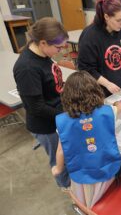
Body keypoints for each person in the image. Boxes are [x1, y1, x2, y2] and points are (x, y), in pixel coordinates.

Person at [52, 71, 121, 209]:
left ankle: (88, 209)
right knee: (105, 195)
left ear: (67, 97)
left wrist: (58, 169)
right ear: (96, 92)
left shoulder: (63, 121)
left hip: (81, 171)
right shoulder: (108, 111)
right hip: (106, 167)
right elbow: (120, 107)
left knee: (85, 199)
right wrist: (118, 104)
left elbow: (61, 151)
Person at [13, 17, 70, 188]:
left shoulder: (44, 54)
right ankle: (67, 189)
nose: (60, 51)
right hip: (46, 126)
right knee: (58, 161)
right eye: (58, 47)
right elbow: (36, 107)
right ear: (43, 42)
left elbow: (53, 83)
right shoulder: (27, 68)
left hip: (57, 116)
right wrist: (66, 115)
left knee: (66, 155)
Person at [78, 0, 121, 97]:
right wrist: (107, 84)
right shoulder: (90, 36)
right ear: (106, 17)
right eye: (118, 20)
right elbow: (86, 70)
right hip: (99, 93)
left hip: (120, 88)